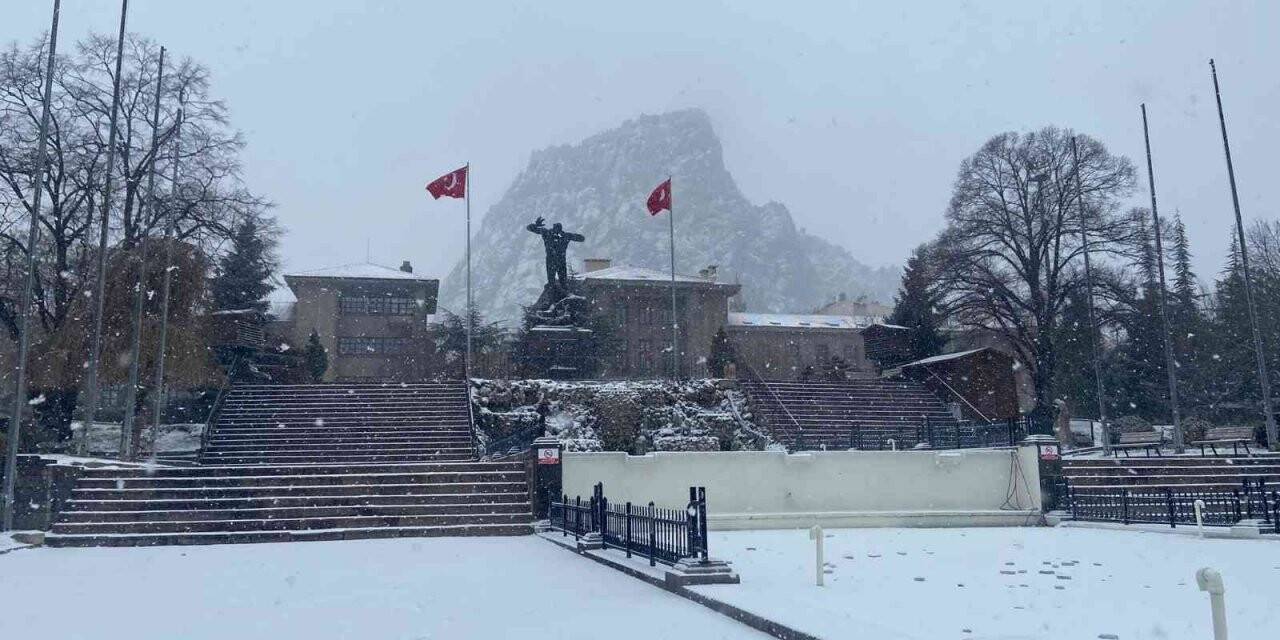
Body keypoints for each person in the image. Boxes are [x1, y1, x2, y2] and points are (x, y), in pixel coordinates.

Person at [526, 217, 585, 290]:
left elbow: (582, 238)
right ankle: (558, 294)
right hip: (557, 261)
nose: (556, 232)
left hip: (555, 261)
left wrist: (536, 226)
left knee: (558, 282)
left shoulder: (550, 233)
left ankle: (560, 294)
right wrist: (536, 225)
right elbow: (581, 238)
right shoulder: (552, 233)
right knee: (557, 282)